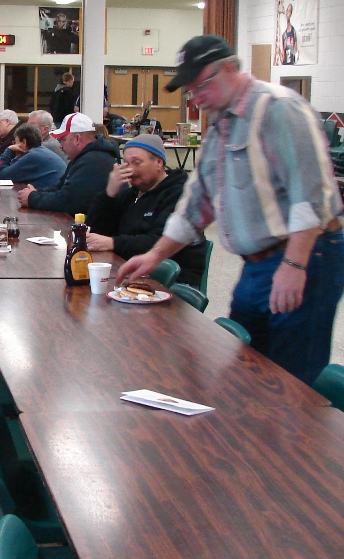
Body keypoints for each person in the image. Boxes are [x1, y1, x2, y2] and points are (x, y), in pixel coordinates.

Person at [116, 35, 343, 386]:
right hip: (257, 263)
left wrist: (294, 265)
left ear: (230, 68)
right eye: (191, 90)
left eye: (201, 85)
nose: (196, 97)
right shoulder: (222, 126)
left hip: (307, 254)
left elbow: (312, 196)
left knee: (290, 379)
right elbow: (196, 204)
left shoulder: (278, 109)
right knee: (246, 364)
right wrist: (155, 255)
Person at [85, 134, 206, 286]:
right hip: (131, 272)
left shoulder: (179, 194)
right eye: (126, 163)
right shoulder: (132, 194)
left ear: (158, 162)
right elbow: (94, 230)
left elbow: (159, 241)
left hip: (173, 281)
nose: (130, 169)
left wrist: (113, 243)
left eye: (137, 163)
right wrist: (109, 194)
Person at [17, 113, 118, 214]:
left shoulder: (94, 161)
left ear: (77, 139)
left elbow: (68, 201)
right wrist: (36, 192)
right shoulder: (83, 157)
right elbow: (59, 187)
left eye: (63, 139)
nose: (60, 145)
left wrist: (32, 198)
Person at [0, 123, 66, 188]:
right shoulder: (39, 151)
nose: (14, 145)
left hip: (53, 194)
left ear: (24, 142)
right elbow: (11, 169)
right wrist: (18, 156)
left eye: (15, 142)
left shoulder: (33, 156)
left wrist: (9, 150)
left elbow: (0, 175)